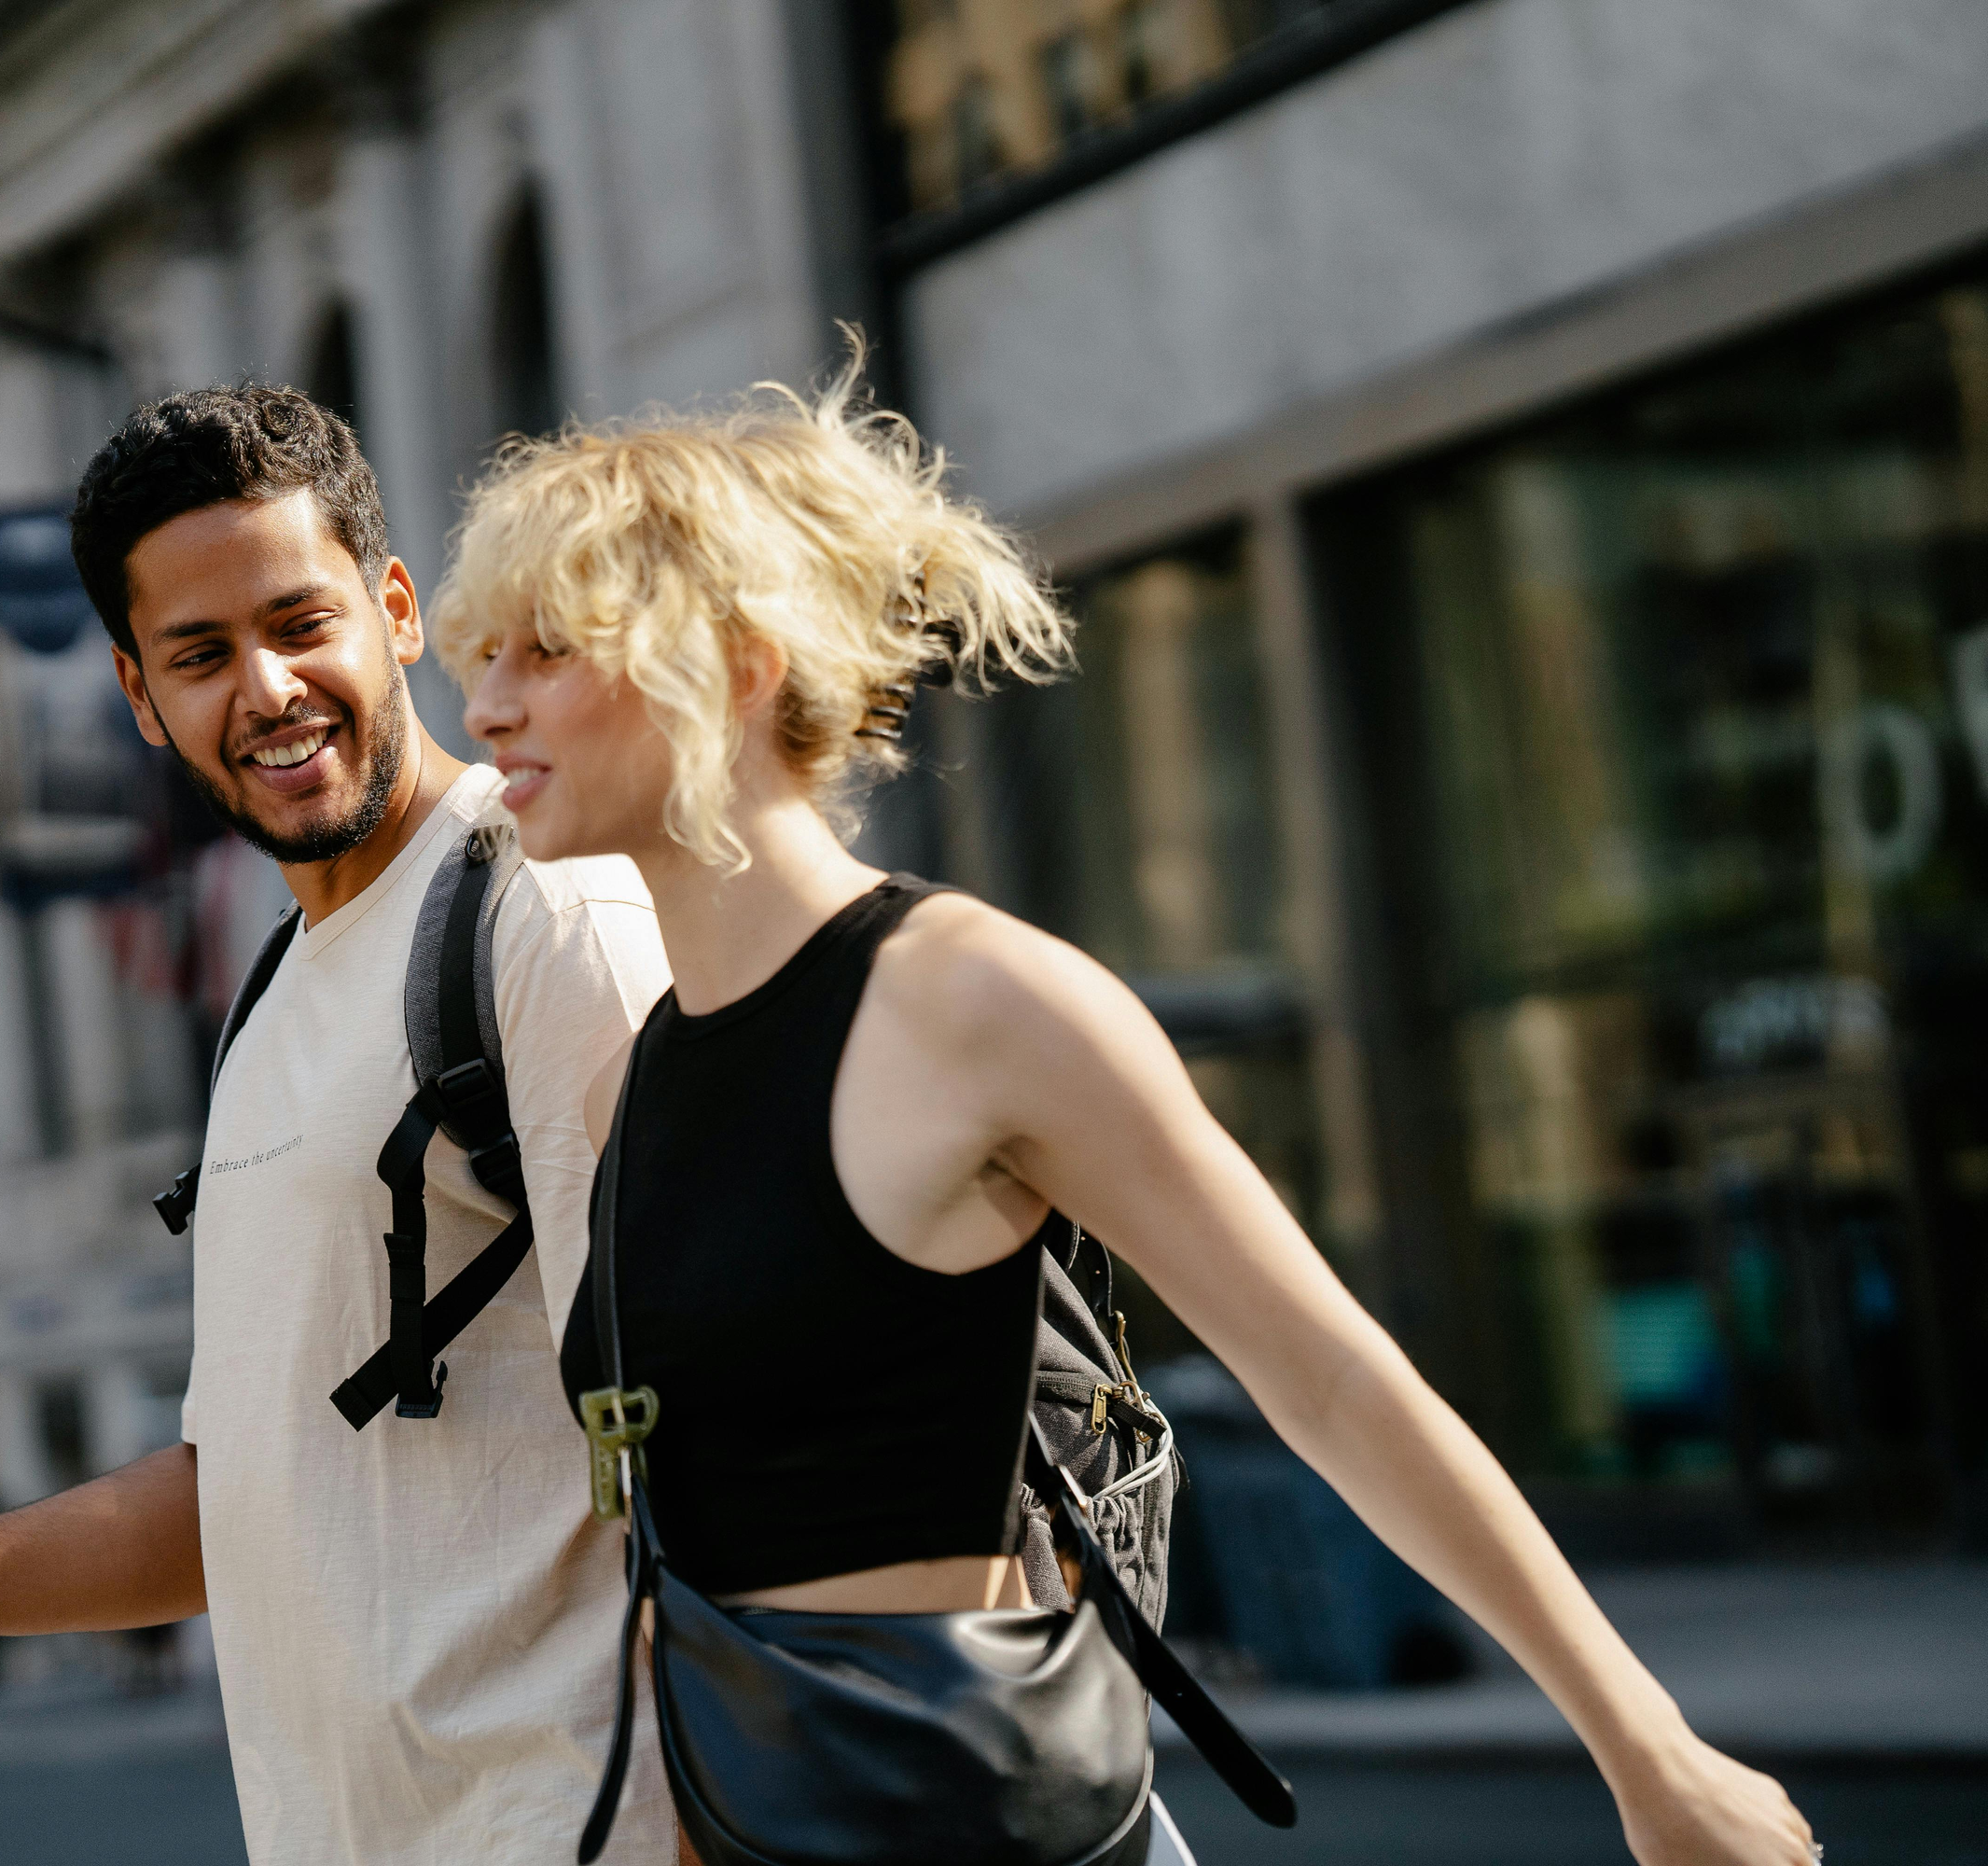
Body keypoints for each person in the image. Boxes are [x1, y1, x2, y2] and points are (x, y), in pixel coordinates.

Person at [438, 362, 1821, 1866]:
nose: (486, 702)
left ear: (742, 662)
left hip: (989, 1823)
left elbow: (1334, 1380)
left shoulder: (977, 1002)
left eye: (549, 649)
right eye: (483, 653)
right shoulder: (634, 1074)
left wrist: (1645, 1745)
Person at [0, 386, 678, 1863]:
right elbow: (242, 1501)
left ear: (396, 611)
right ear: (140, 696)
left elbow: (715, 1424)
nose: (264, 690)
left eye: (298, 622)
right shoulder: (270, 996)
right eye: (201, 655)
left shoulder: (546, 916)